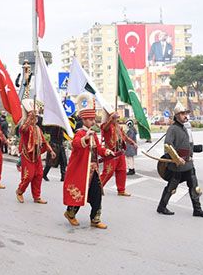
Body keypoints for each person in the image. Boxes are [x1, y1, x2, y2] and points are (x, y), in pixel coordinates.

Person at [63, 93, 114, 229]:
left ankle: (95, 219)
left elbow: (98, 149)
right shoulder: (80, 133)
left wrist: (107, 151)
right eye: (90, 119)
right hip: (82, 170)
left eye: (93, 119)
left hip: (93, 170)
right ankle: (70, 213)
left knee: (97, 194)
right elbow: (75, 144)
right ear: (84, 120)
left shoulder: (93, 133)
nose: (93, 121)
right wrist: (85, 138)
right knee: (79, 193)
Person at [156, 102, 203, 218]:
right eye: (182, 114)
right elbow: (168, 146)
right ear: (177, 116)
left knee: (194, 186)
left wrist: (195, 149)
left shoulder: (185, 128)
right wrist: (177, 158)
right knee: (172, 186)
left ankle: (197, 209)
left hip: (188, 164)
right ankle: (162, 206)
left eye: (186, 113)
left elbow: (185, 145)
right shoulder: (173, 129)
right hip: (177, 165)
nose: (185, 115)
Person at [16, 99, 55, 204]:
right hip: (27, 156)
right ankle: (19, 191)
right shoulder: (25, 127)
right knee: (28, 176)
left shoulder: (38, 128)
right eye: (34, 117)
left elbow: (44, 141)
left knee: (38, 175)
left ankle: (37, 197)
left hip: (36, 156)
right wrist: (29, 117)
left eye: (36, 117)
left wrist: (50, 150)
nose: (36, 118)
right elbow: (22, 130)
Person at [99, 105, 137, 196]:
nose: (117, 119)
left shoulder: (119, 127)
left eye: (116, 118)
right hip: (111, 153)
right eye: (115, 118)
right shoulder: (105, 126)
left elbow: (125, 137)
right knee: (108, 172)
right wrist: (110, 120)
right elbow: (105, 128)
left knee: (122, 171)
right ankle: (97, 187)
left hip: (120, 152)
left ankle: (121, 190)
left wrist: (132, 143)